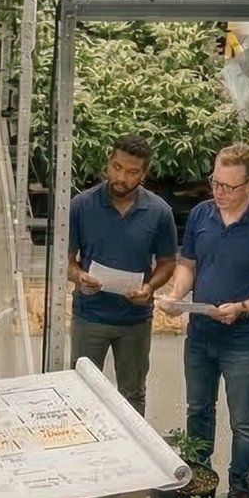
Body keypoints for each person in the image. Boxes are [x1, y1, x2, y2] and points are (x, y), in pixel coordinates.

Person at [158, 142, 249, 498]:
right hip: (200, 335)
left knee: (244, 420)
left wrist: (244, 308)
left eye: (228, 187)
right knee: (198, 409)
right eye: (215, 183)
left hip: (243, 342)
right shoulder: (202, 214)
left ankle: (241, 490)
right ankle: (199, 480)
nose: (219, 193)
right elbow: (189, 262)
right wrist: (176, 294)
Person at [66, 134, 178, 412]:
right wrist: (80, 277)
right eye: (116, 167)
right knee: (80, 392)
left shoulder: (159, 212)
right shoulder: (82, 207)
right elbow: (66, 261)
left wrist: (150, 288)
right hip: (90, 317)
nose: (122, 177)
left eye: (131, 172)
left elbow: (167, 262)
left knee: (132, 395)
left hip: (135, 321)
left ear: (145, 172)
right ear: (108, 162)